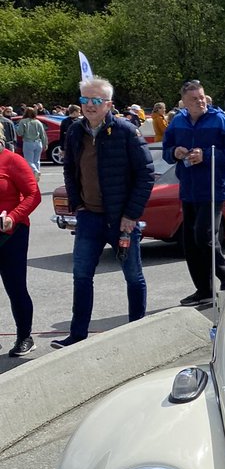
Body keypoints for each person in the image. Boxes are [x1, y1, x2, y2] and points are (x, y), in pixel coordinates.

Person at [51, 78, 154, 349]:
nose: (89, 106)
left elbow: (145, 175)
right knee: (81, 276)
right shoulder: (75, 131)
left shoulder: (126, 131)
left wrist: (131, 215)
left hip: (122, 220)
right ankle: (77, 335)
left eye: (96, 101)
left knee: (133, 276)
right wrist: (78, 205)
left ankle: (137, 332)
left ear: (108, 104)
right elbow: (70, 170)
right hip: (89, 218)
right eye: (85, 100)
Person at [163, 78, 225, 307]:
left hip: (213, 187)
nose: (199, 101)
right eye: (194, 99)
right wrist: (175, 153)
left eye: (201, 97)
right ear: (184, 102)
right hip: (188, 188)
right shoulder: (178, 121)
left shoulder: (219, 120)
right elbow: (166, 151)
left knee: (204, 237)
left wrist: (206, 156)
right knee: (190, 241)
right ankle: (204, 290)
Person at [0, 141, 41, 356]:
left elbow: (34, 195)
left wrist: (13, 217)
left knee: (15, 287)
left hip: (11, 234)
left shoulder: (13, 160)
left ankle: (25, 336)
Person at [18, 107, 46, 180]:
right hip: (38, 142)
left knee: (28, 160)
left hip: (28, 142)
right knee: (37, 160)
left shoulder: (23, 121)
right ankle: (36, 175)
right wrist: (45, 144)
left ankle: (35, 171)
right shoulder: (38, 122)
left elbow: (20, 133)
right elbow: (43, 134)